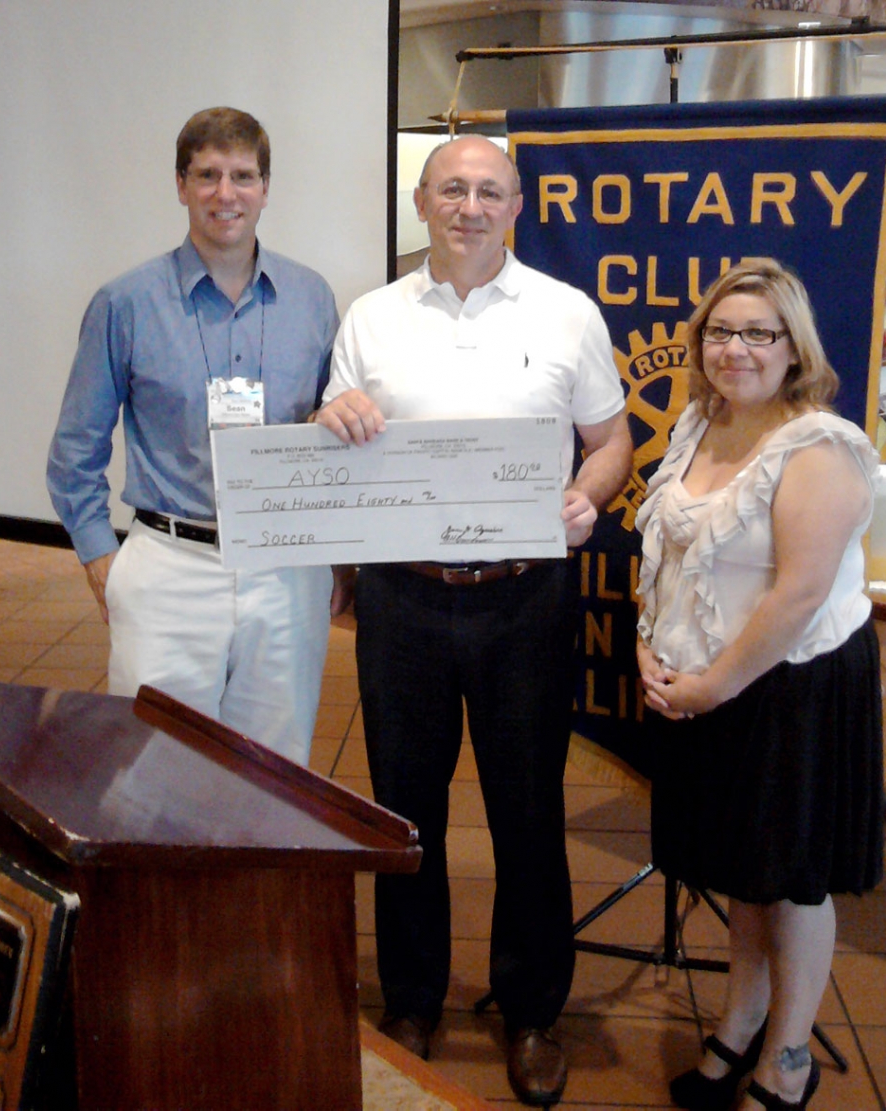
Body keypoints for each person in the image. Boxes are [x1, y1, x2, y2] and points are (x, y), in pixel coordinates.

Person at [316, 135, 631, 1106]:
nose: (469, 204)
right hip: (403, 597)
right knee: (404, 810)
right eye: (451, 187)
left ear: (516, 206)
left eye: (488, 190)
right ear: (421, 202)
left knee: (528, 811)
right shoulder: (370, 317)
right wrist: (338, 419)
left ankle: (532, 1008)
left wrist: (587, 494)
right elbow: (335, 434)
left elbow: (611, 439)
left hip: (525, 594)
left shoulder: (566, 313)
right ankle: (410, 998)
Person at [635, 258, 883, 1111]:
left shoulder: (818, 445)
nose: (734, 349)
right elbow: (665, 553)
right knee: (743, 871)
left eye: (757, 334)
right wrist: (647, 646)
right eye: (719, 331)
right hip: (709, 684)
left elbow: (799, 594)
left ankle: (787, 1056)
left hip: (790, 691)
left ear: (792, 348)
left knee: (793, 879)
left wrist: (711, 686)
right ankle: (739, 1024)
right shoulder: (700, 425)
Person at [47, 107, 339, 765]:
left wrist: (336, 559)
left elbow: (332, 431)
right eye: (207, 175)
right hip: (169, 568)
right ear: (180, 184)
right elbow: (74, 452)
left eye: (242, 175)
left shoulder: (312, 298)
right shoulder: (124, 302)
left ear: (266, 186)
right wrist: (102, 560)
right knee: (153, 771)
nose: (225, 194)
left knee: (276, 772)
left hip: (285, 570)